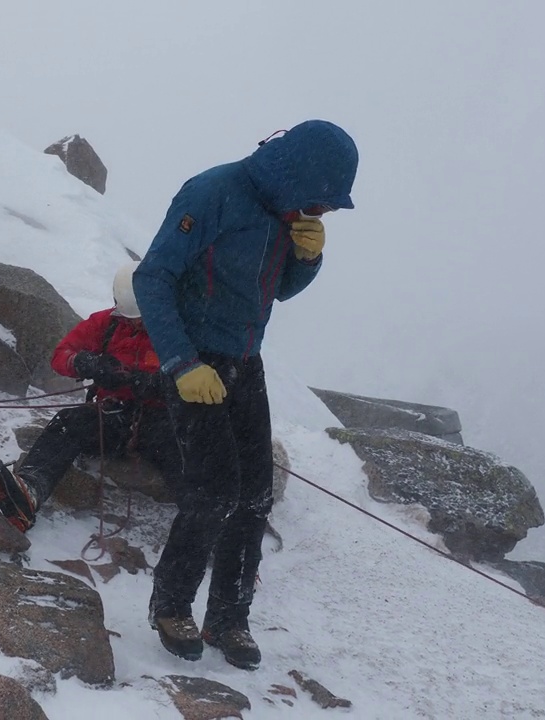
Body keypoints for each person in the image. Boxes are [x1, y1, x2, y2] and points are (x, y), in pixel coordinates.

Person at [131, 119, 358, 670]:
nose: (321, 213)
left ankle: (229, 617)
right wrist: (182, 363)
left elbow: (277, 290)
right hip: (194, 360)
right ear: (294, 174)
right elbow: (152, 277)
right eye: (320, 203)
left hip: (244, 364)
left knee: (255, 494)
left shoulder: (288, 212)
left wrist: (308, 259)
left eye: (328, 209)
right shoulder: (212, 191)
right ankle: (171, 605)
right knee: (213, 490)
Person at [0, 262, 179, 535]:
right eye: (132, 316)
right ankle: (29, 491)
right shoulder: (106, 324)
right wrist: (86, 363)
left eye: (142, 315)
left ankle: (211, 527)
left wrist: (154, 384)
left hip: (163, 418)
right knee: (69, 423)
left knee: (185, 453)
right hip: (115, 415)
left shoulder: (179, 330)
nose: (137, 322)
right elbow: (61, 355)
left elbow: (198, 377)